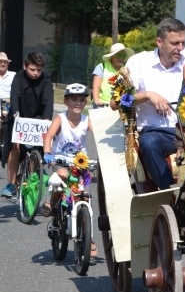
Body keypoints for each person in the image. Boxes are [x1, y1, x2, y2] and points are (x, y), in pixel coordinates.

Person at [112, 17, 185, 189]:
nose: (180, 48)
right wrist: (148, 95)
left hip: (184, 131)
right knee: (149, 143)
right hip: (154, 132)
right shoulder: (139, 62)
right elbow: (116, 102)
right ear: (159, 42)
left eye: (183, 43)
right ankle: (170, 193)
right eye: (175, 43)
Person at [1, 52, 54, 198]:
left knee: (37, 147)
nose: (36, 73)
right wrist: (15, 113)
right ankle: (11, 184)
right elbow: (15, 96)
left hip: (38, 119)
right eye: (32, 69)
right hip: (19, 117)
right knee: (15, 145)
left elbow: (48, 101)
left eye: (39, 70)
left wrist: (47, 119)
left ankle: (32, 177)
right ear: (25, 66)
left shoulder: (46, 80)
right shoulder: (18, 77)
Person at [41, 83, 93, 219]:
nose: (78, 103)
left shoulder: (87, 120)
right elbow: (49, 136)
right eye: (74, 99)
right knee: (62, 175)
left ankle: (87, 237)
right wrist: (47, 153)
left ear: (85, 102)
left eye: (82, 100)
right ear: (65, 101)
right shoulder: (60, 118)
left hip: (80, 163)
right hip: (60, 159)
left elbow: (98, 137)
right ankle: (51, 201)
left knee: (85, 196)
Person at [92, 43, 133, 108]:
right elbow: (96, 87)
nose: (121, 58)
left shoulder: (126, 70)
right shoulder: (102, 67)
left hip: (119, 107)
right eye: (118, 55)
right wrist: (96, 100)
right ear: (112, 56)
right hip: (102, 105)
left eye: (123, 55)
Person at [0, 52, 16, 157]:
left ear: (8, 64)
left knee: (5, 119)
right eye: (0, 62)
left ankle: (5, 143)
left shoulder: (13, 75)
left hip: (7, 102)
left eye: (5, 62)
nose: (2, 64)